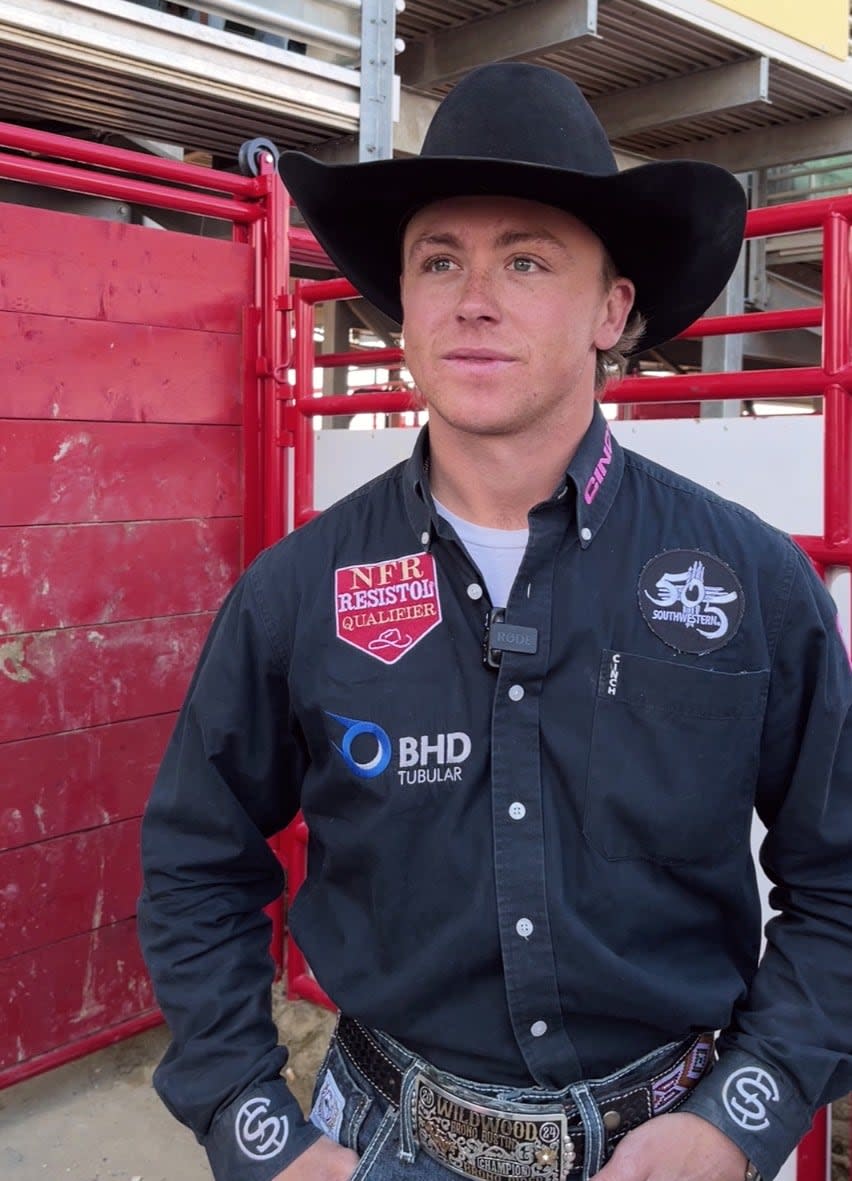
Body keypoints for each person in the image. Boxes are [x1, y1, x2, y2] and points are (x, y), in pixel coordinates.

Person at [138, 63, 852, 1181]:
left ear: (613, 309)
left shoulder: (751, 584)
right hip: (381, 1143)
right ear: (406, 307)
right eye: (441, 261)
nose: (475, 296)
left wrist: (742, 1114)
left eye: (526, 259)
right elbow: (195, 862)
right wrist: (253, 1122)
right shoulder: (295, 591)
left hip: (673, 1143)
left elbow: (844, 877)